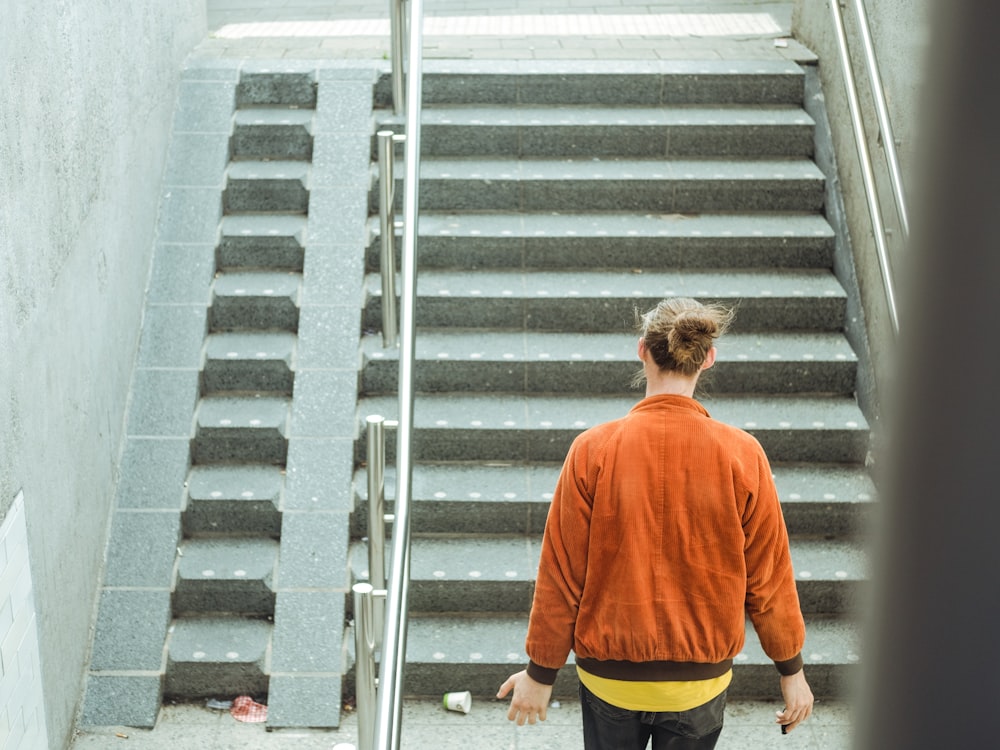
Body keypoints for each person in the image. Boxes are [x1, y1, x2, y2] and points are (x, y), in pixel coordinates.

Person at [497, 297, 814, 748]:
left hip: (609, 679)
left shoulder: (592, 450)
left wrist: (540, 673)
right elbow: (769, 579)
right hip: (700, 683)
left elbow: (561, 577)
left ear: (641, 349)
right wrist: (792, 671)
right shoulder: (743, 454)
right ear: (708, 357)